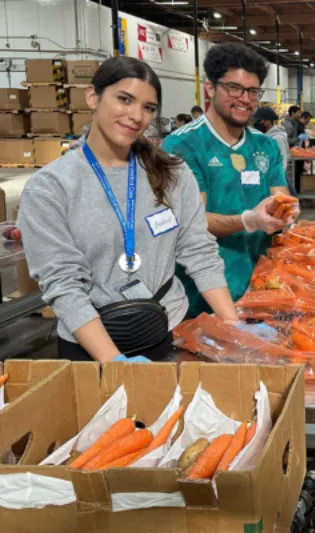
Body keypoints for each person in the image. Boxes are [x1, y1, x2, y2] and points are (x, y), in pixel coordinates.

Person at [17, 56, 238, 362]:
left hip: (167, 330)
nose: (137, 116)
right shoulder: (51, 187)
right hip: (91, 344)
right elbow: (63, 284)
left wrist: (235, 326)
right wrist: (114, 362)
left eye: (148, 108)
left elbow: (198, 251)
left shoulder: (172, 173)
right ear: (93, 97)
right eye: (124, 99)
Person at [161, 42, 297, 316]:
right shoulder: (182, 145)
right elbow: (190, 224)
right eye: (234, 88)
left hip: (260, 286)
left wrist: (284, 213)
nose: (245, 99)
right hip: (200, 296)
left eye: (252, 91)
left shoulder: (265, 146)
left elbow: (279, 197)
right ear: (210, 88)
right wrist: (249, 221)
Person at [253, 106, 296, 196]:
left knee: (288, 205)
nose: (257, 123)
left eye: (260, 121)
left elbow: (282, 161)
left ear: (268, 121)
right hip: (272, 177)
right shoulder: (265, 136)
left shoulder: (277, 138)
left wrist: (276, 179)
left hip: (278, 178)